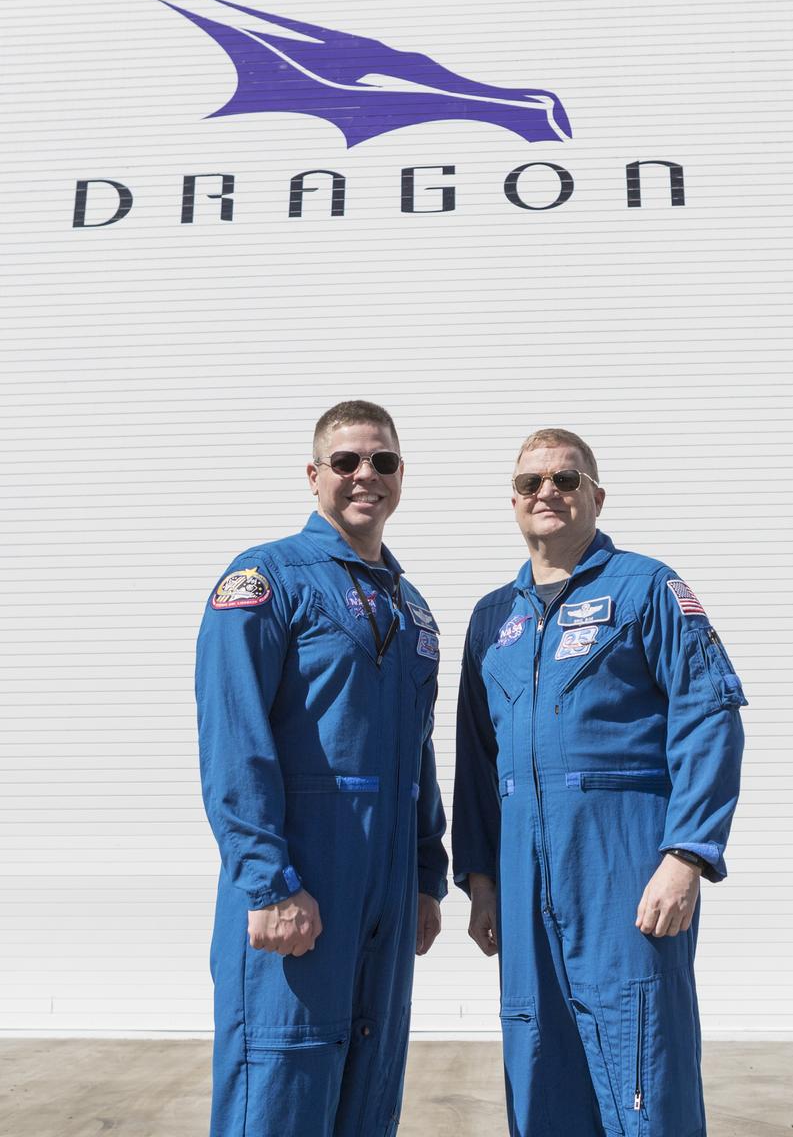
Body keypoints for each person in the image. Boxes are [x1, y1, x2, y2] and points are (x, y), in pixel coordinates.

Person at [452, 428, 746, 1137]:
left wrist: (685, 856)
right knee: (537, 1058)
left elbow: (711, 716)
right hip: (522, 881)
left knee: (642, 1056)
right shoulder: (493, 619)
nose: (546, 493)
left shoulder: (647, 588)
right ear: (513, 501)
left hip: (625, 869)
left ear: (595, 495)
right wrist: (482, 880)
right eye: (530, 483)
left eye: (565, 479)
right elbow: (475, 761)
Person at [196, 400, 447, 1137]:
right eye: (346, 461)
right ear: (314, 475)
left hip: (387, 894)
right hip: (301, 881)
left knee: (368, 1099)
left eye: (383, 461)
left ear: (400, 477)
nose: (365, 475)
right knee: (277, 1092)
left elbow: (418, 752)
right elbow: (233, 741)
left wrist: (427, 878)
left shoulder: (412, 610)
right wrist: (269, 881)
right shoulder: (264, 580)